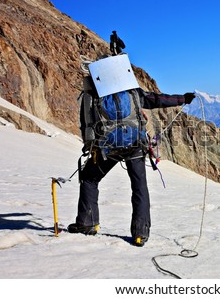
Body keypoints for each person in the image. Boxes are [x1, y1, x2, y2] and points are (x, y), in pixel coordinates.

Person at [68, 88, 196, 247]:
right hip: (135, 145)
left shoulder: (93, 94)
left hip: (108, 147)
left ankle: (87, 223)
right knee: (139, 186)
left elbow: (87, 124)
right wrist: (182, 98)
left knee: (89, 179)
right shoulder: (133, 92)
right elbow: (157, 99)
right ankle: (140, 234)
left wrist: (92, 147)